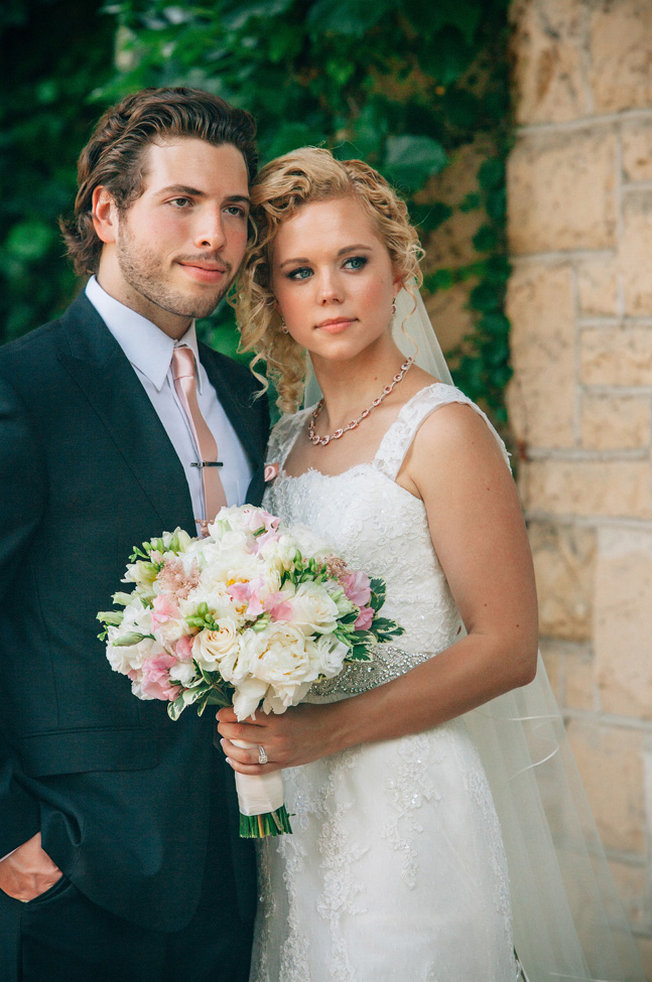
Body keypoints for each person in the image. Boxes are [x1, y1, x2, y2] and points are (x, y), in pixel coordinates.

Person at [218, 147, 645, 981]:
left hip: (409, 803)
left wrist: (320, 733)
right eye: (299, 272)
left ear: (399, 268)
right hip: (301, 812)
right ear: (273, 295)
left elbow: (505, 648)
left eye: (353, 261)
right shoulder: (281, 445)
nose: (330, 291)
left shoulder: (442, 431)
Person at [0, 87, 269, 982]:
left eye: (234, 209)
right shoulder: (25, 388)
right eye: (182, 202)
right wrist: (16, 838)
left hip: (241, 864)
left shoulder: (251, 399)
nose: (215, 235)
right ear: (107, 212)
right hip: (77, 876)